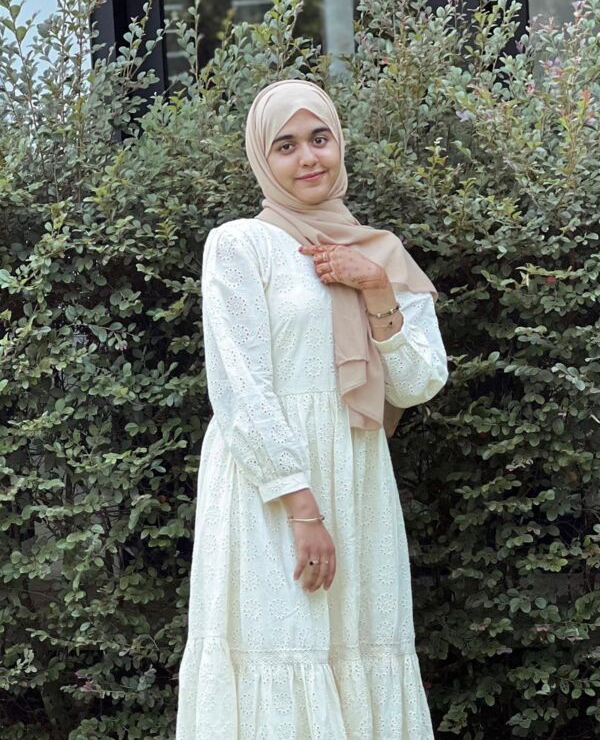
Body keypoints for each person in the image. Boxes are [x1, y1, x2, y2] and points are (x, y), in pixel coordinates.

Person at [175, 79, 449, 740]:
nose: (308, 158)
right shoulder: (240, 244)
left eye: (319, 138)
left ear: (339, 143)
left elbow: (418, 382)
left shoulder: (379, 252)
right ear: (262, 158)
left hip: (356, 477)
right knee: (282, 642)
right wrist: (303, 509)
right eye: (286, 145)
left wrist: (375, 287)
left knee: (359, 647)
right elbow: (241, 387)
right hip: (271, 488)